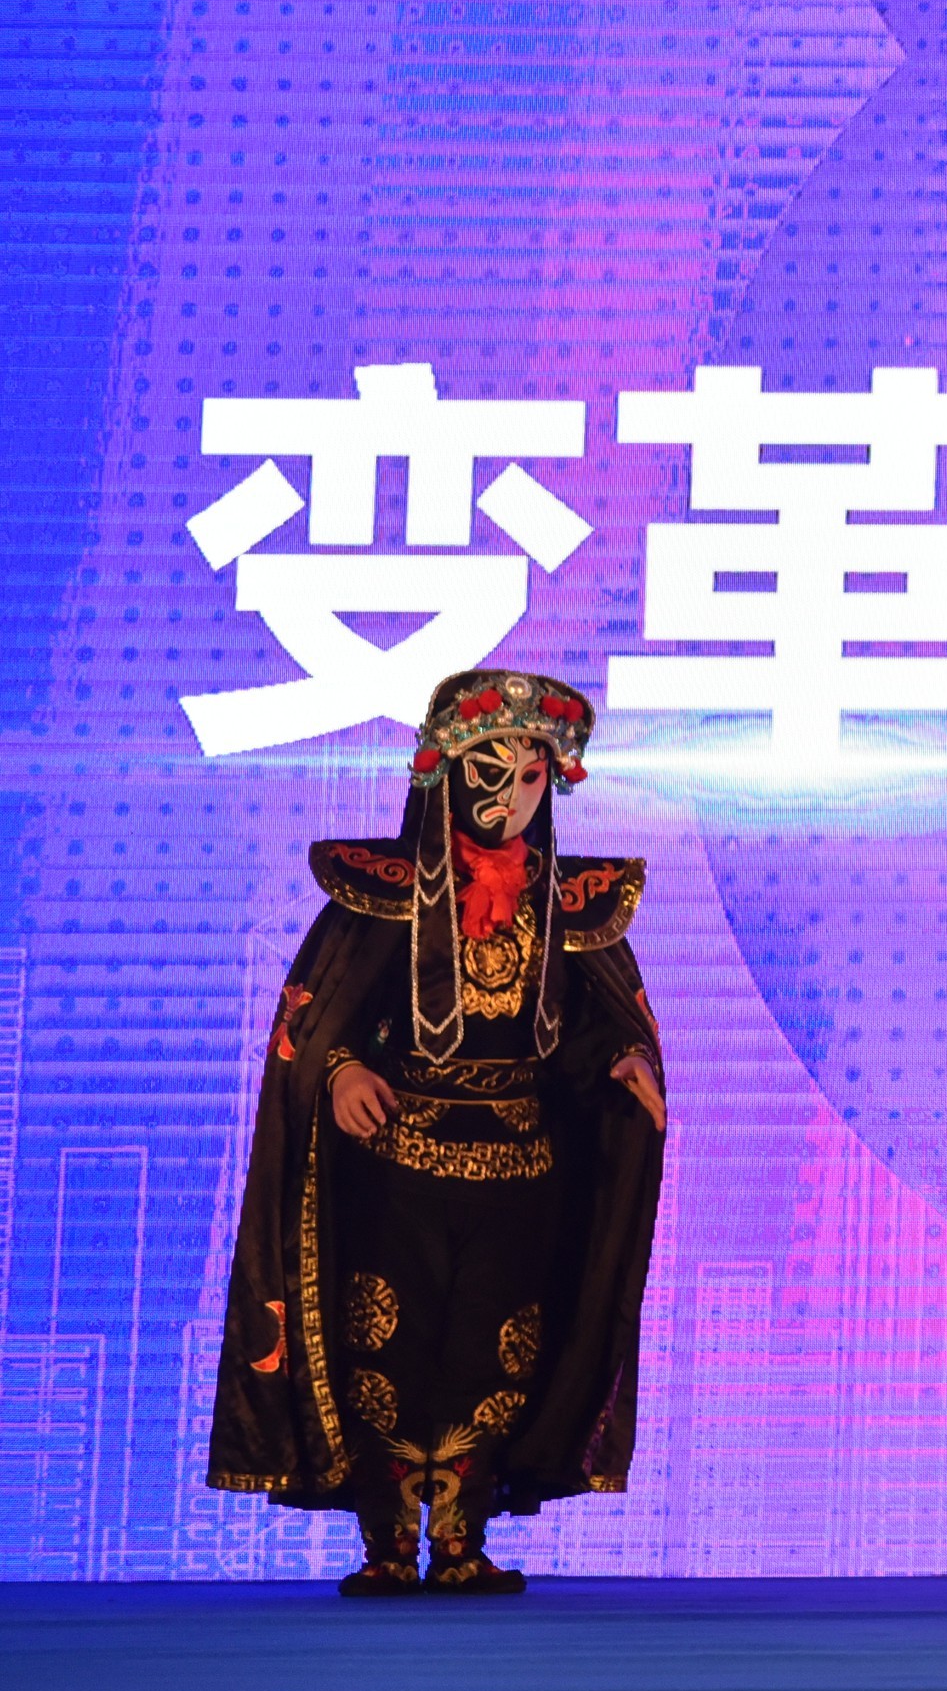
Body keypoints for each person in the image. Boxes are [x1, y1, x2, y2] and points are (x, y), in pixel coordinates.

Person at [206, 669, 669, 1594]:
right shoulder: (378, 897)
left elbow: (589, 1029)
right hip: (396, 1168)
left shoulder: (569, 906)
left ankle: (460, 1535)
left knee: (496, 1354)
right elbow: (323, 1023)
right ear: (445, 775)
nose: (511, 797)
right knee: (385, 1348)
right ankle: (387, 1540)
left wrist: (623, 1058)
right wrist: (341, 1069)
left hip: (521, 1172)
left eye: (531, 776)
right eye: (491, 773)